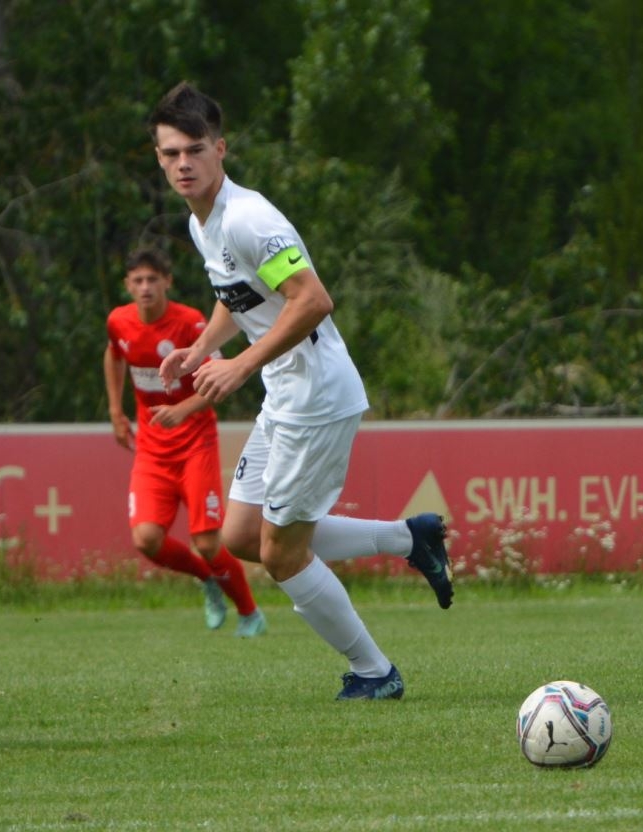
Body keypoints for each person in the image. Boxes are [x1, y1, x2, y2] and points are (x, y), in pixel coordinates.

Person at [149, 81, 453, 700]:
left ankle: (375, 673)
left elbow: (312, 300)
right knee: (242, 536)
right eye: (170, 153)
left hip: (315, 398)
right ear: (158, 158)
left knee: (282, 555)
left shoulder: (248, 219)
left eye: (195, 150)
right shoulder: (203, 223)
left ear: (220, 149)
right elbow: (238, 294)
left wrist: (238, 366)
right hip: (285, 393)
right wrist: (203, 348)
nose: (183, 164)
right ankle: (409, 538)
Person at [105, 246, 266, 637]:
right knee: (146, 539)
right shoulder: (119, 322)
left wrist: (183, 410)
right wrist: (115, 411)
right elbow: (114, 356)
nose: (145, 287)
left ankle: (249, 613)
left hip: (196, 443)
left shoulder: (190, 322)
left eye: (152, 279)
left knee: (208, 542)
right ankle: (208, 579)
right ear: (128, 285)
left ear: (167, 282)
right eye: (138, 280)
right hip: (152, 449)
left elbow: (219, 380)